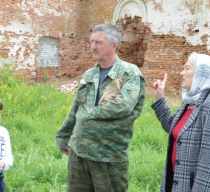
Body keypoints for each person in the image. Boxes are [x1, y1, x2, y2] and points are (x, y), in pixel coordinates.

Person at [55, 24, 146, 192]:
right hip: (79, 153)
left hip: (107, 156)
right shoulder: (89, 74)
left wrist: (90, 114)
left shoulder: (129, 74)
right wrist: (63, 134)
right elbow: (77, 107)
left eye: (98, 42)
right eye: (92, 42)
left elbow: (123, 105)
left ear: (114, 45)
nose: (93, 47)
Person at [148, 52, 210, 192]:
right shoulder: (190, 102)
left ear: (201, 73)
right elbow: (172, 126)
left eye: (187, 68)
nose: (181, 73)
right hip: (176, 182)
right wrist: (160, 97)